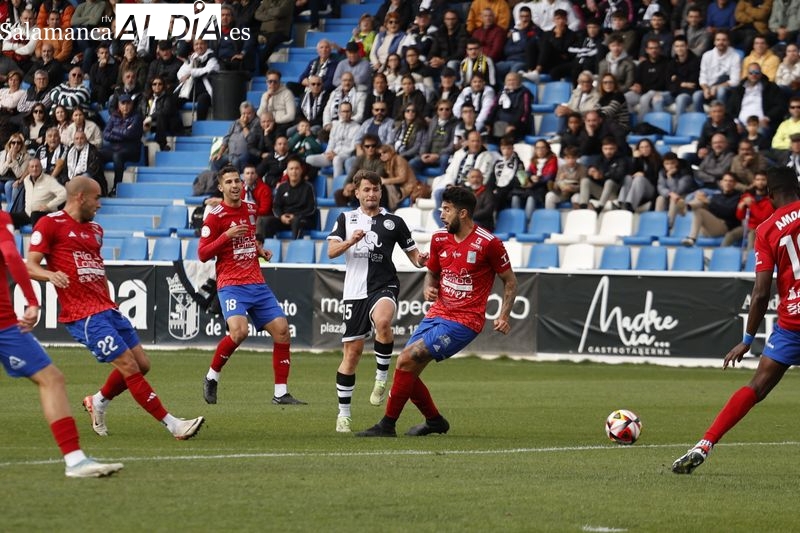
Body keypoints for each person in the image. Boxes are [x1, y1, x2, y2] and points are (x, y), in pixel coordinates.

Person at [26, 177, 205, 440]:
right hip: (83, 314)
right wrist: (50, 275)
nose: (100, 204)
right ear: (80, 197)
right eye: (97, 198)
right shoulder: (50, 224)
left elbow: (95, 269)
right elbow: (30, 265)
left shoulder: (96, 230)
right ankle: (173, 424)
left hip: (107, 308)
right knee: (128, 365)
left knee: (142, 364)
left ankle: (97, 402)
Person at [356, 186, 517, 437]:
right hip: (438, 312)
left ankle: (387, 425)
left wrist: (504, 314)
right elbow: (432, 272)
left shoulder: (488, 243)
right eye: (442, 208)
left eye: (447, 209)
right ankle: (434, 421)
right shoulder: (439, 238)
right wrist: (429, 286)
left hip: (465, 321)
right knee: (407, 367)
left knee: (407, 359)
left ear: (463, 213)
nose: (441, 214)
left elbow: (510, 281)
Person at [672, 166, 800, 474]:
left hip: (792, 324)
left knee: (756, 387)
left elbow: (759, 293)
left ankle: (705, 444)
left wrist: (746, 340)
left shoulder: (767, 229)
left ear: (769, 194)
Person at [0, 210, 123, 478]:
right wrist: (32, 301)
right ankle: (74, 460)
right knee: (51, 380)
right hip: (4, 323)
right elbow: (11, 256)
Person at [326, 170, 429, 433]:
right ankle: (344, 414)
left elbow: (414, 256)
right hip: (354, 292)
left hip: (384, 285)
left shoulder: (394, 222)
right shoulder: (345, 219)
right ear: (357, 192)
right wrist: (351, 241)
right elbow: (331, 252)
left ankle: (381, 378)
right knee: (352, 355)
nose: (371, 194)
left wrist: (425, 259)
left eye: (375, 189)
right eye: (366, 190)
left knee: (383, 322)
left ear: (380, 192)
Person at [199, 165, 305, 406]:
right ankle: (211, 377)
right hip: (231, 284)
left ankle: (280, 393)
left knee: (282, 331)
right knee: (239, 332)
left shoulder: (250, 208)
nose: (235, 185)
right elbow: (203, 254)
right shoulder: (215, 216)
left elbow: (248, 238)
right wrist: (227, 236)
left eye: (237, 181)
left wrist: (260, 250)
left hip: (256, 282)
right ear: (220, 187)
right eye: (229, 182)